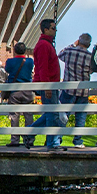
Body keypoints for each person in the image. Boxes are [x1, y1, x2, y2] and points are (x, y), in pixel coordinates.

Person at [25, 19, 62, 149]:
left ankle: (30, 132)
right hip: (49, 85)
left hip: (52, 84)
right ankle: (52, 143)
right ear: (45, 29)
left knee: (51, 113)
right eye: (53, 28)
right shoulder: (44, 45)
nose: (55, 30)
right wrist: (47, 86)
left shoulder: (46, 44)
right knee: (52, 114)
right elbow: (43, 67)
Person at [59, 32, 94, 147]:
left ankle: (58, 138)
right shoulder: (90, 56)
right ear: (89, 44)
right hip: (83, 90)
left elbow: (60, 54)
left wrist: (73, 44)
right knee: (81, 116)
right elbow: (92, 70)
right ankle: (78, 141)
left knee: (64, 115)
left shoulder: (70, 52)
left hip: (69, 89)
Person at [3, 41, 34, 146]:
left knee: (14, 116)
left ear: (15, 51)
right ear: (25, 50)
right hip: (27, 90)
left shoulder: (10, 62)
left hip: (15, 91)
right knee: (28, 115)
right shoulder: (30, 61)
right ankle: (29, 139)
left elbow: (7, 70)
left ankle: (15, 140)